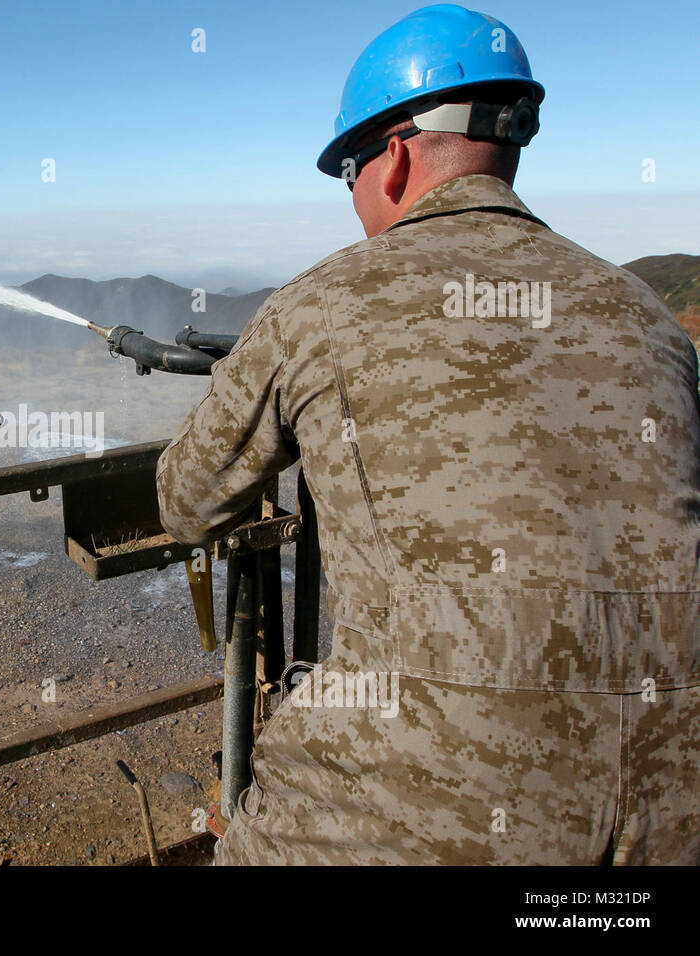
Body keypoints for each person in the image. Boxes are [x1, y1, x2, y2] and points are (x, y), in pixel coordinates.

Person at [155, 3, 700, 864]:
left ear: (397, 154)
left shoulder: (320, 305)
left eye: (350, 173)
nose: (355, 200)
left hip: (427, 803)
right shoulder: (648, 316)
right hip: (675, 801)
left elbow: (186, 502)